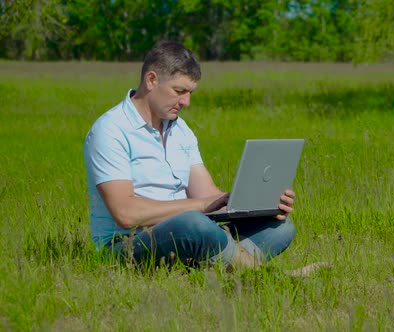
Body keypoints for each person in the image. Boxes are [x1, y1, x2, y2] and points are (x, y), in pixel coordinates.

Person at [83, 40, 296, 270]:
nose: (186, 102)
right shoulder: (110, 130)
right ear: (151, 80)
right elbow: (125, 214)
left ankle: (212, 266)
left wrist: (254, 204)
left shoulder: (181, 130)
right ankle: (264, 275)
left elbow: (207, 196)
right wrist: (199, 207)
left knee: (280, 227)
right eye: (179, 91)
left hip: (188, 232)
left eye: (190, 93)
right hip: (127, 245)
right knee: (193, 223)